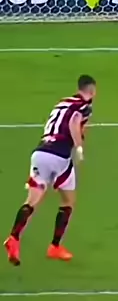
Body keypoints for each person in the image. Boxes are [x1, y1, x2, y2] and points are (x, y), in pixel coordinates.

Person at [3, 75, 96, 266]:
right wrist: (79, 147)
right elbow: (74, 122)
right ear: (92, 90)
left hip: (40, 153)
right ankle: (54, 247)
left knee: (32, 200)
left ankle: (13, 238)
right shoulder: (84, 106)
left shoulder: (63, 102)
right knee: (68, 201)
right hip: (60, 157)